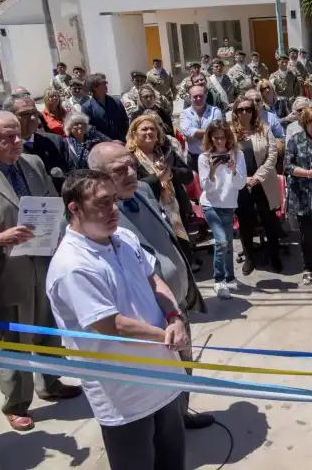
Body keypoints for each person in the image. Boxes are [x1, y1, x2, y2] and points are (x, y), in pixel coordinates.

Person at [47, 170, 189, 469]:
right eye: (101, 203)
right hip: (125, 393)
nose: (113, 210)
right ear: (74, 208)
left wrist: (175, 317)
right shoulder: (73, 265)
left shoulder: (123, 237)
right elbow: (110, 325)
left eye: (114, 201)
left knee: (172, 459)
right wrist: (167, 335)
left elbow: (153, 280)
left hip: (165, 374)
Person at [0, 111, 82, 431]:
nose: (18, 141)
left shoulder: (33, 163)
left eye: (18, 134)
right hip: (5, 271)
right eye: (8, 137)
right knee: (13, 338)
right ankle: (15, 403)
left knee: (47, 326)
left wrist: (58, 230)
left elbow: (50, 203)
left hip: (43, 262)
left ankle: (50, 382)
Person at [85, 143, 210, 430]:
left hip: (174, 305)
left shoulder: (141, 191)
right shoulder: (99, 218)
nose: (131, 173)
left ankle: (180, 415)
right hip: (146, 316)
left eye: (132, 165)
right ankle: (163, 426)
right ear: (98, 176)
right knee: (159, 376)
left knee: (183, 365)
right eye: (119, 170)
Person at [126, 115, 195, 261]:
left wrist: (171, 172)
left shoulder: (166, 152)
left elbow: (188, 176)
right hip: (149, 213)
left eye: (152, 129)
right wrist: (157, 179)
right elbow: (132, 185)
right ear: (134, 133)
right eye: (144, 129)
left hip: (176, 210)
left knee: (182, 252)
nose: (149, 132)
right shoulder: (129, 158)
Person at [231, 95, 283, 276]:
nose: (245, 112)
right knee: (246, 223)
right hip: (241, 185)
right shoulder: (230, 133)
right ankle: (249, 258)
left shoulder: (264, 129)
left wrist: (257, 177)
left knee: (270, 221)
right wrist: (243, 178)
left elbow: (272, 155)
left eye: (248, 109)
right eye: (241, 109)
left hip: (264, 183)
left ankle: (275, 256)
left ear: (254, 111)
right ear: (235, 112)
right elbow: (226, 158)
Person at [197, 119, 247, 298]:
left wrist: (233, 170)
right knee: (221, 241)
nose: (220, 142)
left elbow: (240, 185)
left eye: (223, 138)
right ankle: (219, 280)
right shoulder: (204, 158)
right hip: (211, 204)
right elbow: (206, 187)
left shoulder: (237, 155)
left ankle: (230, 277)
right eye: (216, 138)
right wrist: (211, 170)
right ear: (210, 138)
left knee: (227, 243)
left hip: (229, 204)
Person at [285, 105, 312, 287]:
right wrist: (308, 173)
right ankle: (308, 267)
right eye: (310, 122)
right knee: (307, 235)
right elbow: (287, 165)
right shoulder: (296, 140)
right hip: (304, 194)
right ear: (304, 123)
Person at [4, 93, 70, 190]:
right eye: (25, 114)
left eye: (34, 113)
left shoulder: (55, 142)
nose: (33, 118)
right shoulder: (3, 149)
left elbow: (68, 176)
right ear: (10, 117)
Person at [180, 84, 223, 171]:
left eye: (201, 96)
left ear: (206, 96)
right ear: (190, 97)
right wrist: (209, 134)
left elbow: (216, 132)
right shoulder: (185, 114)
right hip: (193, 158)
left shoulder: (215, 111)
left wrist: (193, 136)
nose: (198, 98)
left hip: (212, 156)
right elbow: (187, 131)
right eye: (195, 96)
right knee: (196, 184)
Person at [82, 73, 129, 142]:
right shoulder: (87, 107)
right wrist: (109, 141)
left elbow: (125, 121)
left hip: (122, 142)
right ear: (95, 87)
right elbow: (89, 128)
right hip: (102, 145)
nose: (106, 86)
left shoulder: (116, 102)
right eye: (103, 84)